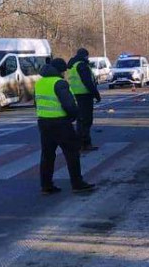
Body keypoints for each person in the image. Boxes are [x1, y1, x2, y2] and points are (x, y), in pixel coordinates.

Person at [35, 58, 95, 194]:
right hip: (61, 123)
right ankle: (77, 183)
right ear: (59, 70)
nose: (64, 73)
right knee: (72, 153)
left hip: (43, 123)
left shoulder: (39, 83)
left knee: (47, 155)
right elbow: (69, 105)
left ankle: (46, 186)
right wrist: (74, 116)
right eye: (63, 71)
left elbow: (36, 102)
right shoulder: (59, 83)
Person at [67, 48, 101, 152]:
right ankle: (85, 144)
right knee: (86, 121)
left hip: (75, 95)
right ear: (85, 56)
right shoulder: (82, 65)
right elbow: (88, 82)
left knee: (80, 121)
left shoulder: (72, 66)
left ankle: (81, 144)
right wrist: (96, 95)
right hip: (84, 96)